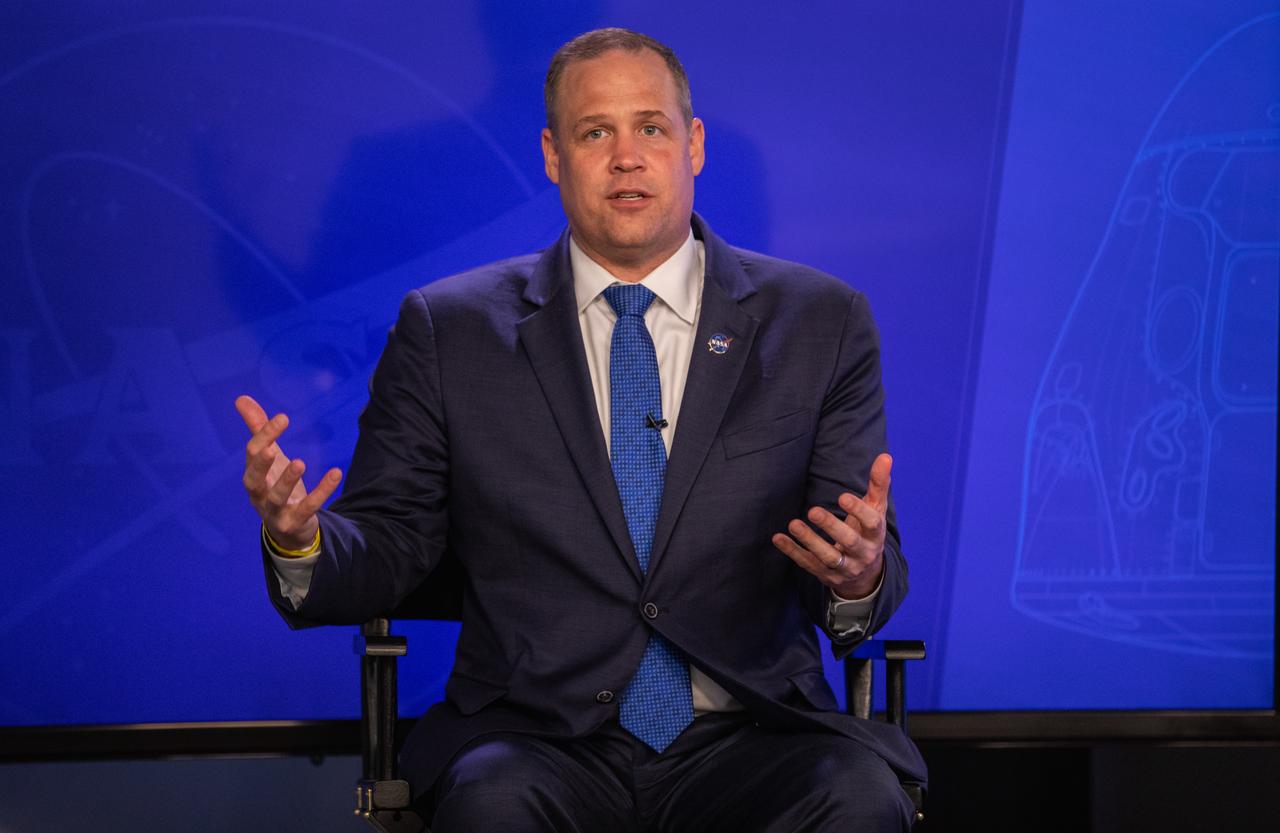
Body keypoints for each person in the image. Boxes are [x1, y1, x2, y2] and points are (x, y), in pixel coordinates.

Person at [238, 27, 926, 832]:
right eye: (595, 132)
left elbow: (854, 560)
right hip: (537, 739)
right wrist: (301, 541)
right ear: (553, 155)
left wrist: (856, 576)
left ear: (694, 145)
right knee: (491, 807)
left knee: (857, 797)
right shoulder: (449, 331)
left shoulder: (819, 322)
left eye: (651, 127)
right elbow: (390, 543)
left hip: (753, 734)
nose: (626, 157)